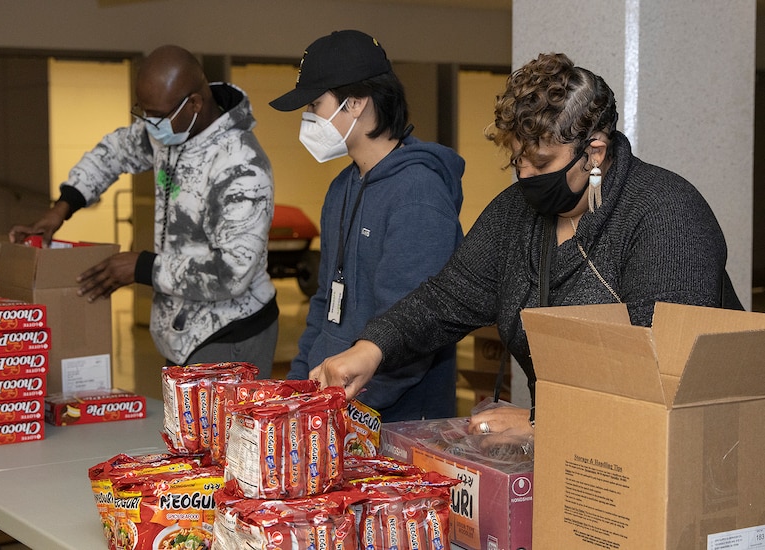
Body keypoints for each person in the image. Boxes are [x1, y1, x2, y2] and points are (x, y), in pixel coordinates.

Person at [311, 52, 738, 434]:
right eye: (518, 160)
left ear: (595, 152)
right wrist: (372, 349)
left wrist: (539, 423)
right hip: (575, 450)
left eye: (542, 162)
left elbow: (664, 373)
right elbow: (445, 299)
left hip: (689, 452)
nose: (526, 177)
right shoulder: (515, 214)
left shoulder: (666, 214)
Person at [9, 44, 279, 376]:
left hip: (229, 332)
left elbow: (232, 272)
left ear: (194, 103)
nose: (150, 124)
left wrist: (143, 267)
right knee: (181, 429)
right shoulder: (173, 133)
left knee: (216, 429)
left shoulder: (242, 167)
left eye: (158, 115)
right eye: (144, 112)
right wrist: (62, 208)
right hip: (181, 333)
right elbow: (113, 152)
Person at [269, 30, 465, 422]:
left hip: (394, 420)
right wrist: (294, 393)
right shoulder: (342, 187)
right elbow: (324, 304)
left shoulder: (418, 193)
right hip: (334, 411)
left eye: (315, 104)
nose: (308, 119)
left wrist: (347, 410)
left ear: (356, 102)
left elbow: (413, 328)